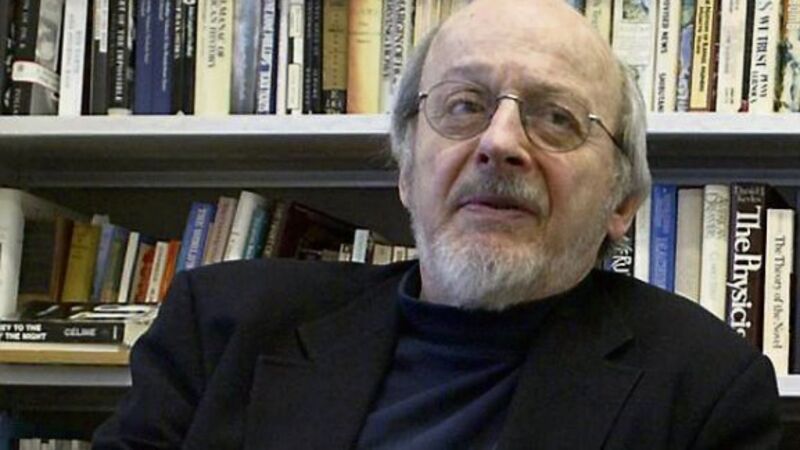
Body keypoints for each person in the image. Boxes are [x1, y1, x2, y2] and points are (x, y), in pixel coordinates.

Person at [93, 0, 782, 448]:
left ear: (621, 202)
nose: (500, 142)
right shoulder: (221, 329)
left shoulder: (706, 391)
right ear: (406, 170)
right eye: (463, 106)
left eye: (557, 118)